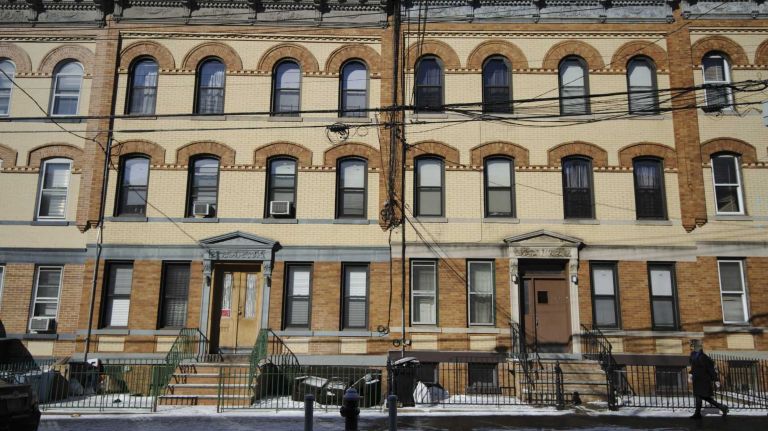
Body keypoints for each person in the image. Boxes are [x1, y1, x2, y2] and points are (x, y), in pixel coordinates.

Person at [688, 339, 728, 419]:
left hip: (704, 380)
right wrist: (690, 374)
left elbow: (710, 369)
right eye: (692, 346)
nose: (692, 348)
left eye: (693, 346)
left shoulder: (704, 357)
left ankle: (721, 407)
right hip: (697, 380)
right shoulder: (692, 356)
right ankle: (698, 413)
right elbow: (693, 367)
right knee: (700, 397)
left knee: (704, 397)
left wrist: (716, 379)